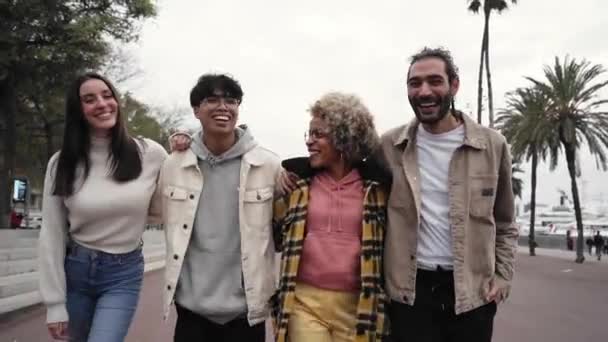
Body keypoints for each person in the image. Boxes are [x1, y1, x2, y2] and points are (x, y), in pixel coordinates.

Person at [379, 47, 518, 342]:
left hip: (471, 295)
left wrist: (503, 277)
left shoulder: (492, 146)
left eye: (435, 81)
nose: (424, 91)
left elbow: (505, 223)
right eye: (415, 83)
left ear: (454, 85)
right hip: (409, 295)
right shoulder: (389, 146)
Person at [38, 72, 190, 342]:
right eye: (89, 99)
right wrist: (54, 304)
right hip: (76, 271)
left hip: (122, 273)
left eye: (107, 96)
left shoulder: (149, 153)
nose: (102, 103)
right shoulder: (61, 163)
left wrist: (185, 145)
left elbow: (178, 194)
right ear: (79, 110)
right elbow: (51, 234)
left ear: (117, 102)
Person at [156, 73, 281, 342]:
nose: (223, 107)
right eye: (212, 100)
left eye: (231, 101)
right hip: (192, 309)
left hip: (245, 311)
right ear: (196, 110)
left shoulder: (268, 166)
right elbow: (156, 212)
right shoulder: (173, 164)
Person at [272, 92, 391, 342]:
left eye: (318, 134)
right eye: (309, 134)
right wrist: (278, 194)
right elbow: (275, 236)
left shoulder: (377, 189)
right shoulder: (299, 182)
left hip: (358, 306)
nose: (309, 142)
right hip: (304, 303)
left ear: (344, 138)